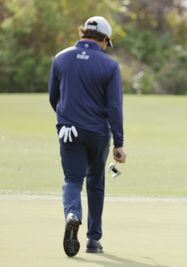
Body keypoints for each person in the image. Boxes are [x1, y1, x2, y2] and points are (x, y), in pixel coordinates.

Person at [48, 16, 127, 257]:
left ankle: (73, 214)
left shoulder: (60, 59)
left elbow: (54, 97)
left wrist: (67, 118)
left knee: (72, 180)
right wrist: (119, 143)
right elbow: (114, 107)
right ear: (104, 39)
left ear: (83, 33)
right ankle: (93, 240)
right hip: (97, 134)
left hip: (68, 131)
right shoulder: (110, 66)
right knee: (95, 183)